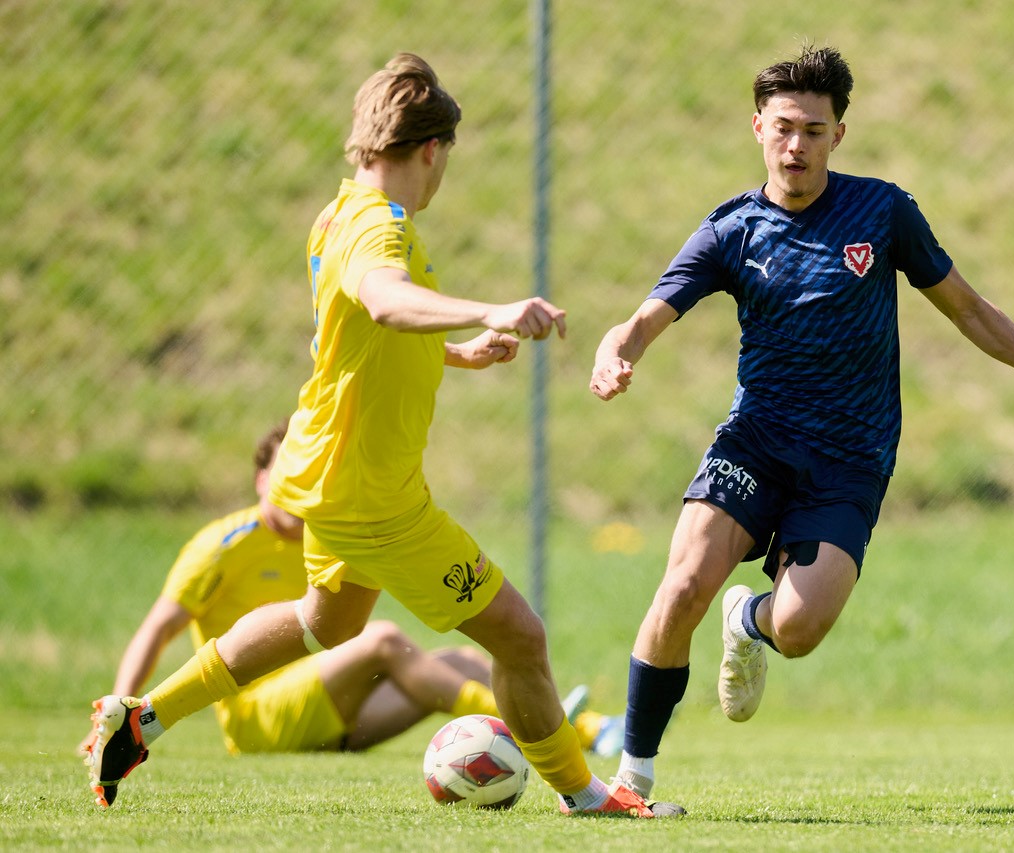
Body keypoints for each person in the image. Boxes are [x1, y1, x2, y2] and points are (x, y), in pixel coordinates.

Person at [86, 52, 670, 818]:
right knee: (519, 635)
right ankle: (586, 795)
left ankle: (143, 718)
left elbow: (354, 338)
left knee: (322, 622)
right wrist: (490, 310)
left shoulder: (336, 214)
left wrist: (457, 352)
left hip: (329, 472)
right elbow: (385, 300)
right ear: (430, 149)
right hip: (374, 493)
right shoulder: (379, 228)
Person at [588, 44, 1014, 802]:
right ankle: (632, 779)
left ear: (839, 134)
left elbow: (968, 308)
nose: (796, 145)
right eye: (784, 127)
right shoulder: (732, 229)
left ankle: (751, 621)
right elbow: (643, 318)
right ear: (758, 127)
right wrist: (616, 352)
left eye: (814, 130)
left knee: (799, 632)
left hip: (850, 457)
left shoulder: (882, 212)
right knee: (684, 583)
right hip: (756, 441)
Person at [78, 421, 621, 758]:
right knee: (383, 639)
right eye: (288, 472)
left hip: (330, 714)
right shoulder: (221, 545)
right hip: (259, 721)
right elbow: (157, 629)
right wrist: (121, 706)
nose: (301, 484)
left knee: (459, 658)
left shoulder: (330, 533)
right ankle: (531, 737)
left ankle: (593, 731)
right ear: (263, 480)